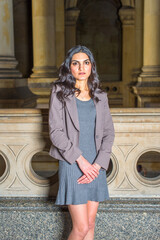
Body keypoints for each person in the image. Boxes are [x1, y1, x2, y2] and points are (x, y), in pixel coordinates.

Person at [49, 45, 115, 240]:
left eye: (86, 63)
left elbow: (108, 133)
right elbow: (55, 132)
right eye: (75, 63)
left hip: (96, 166)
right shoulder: (60, 92)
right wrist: (81, 161)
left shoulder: (100, 96)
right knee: (81, 227)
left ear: (91, 66)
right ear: (69, 67)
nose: (81, 67)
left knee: (91, 224)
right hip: (72, 163)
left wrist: (97, 164)